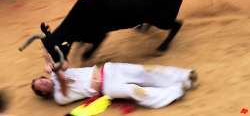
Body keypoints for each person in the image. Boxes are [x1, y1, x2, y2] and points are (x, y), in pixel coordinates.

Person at [31, 62, 198, 108]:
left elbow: (64, 63)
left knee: (145, 71)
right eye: (42, 86)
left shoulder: (56, 72)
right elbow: (63, 82)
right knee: (137, 91)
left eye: (42, 80)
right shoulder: (60, 98)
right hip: (106, 88)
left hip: (109, 70)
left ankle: (184, 76)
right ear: (44, 94)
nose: (45, 83)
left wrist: (49, 58)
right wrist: (54, 69)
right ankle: (177, 90)